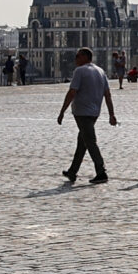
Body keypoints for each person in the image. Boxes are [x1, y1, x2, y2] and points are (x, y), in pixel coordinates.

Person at [56, 46, 116, 182]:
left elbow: (72, 92)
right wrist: (111, 114)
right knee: (82, 142)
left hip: (82, 112)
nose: (75, 59)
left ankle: (101, 172)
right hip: (94, 112)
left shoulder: (80, 71)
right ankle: (73, 171)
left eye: (78, 56)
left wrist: (62, 111)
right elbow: (107, 94)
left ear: (85, 57)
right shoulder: (100, 71)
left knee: (90, 142)